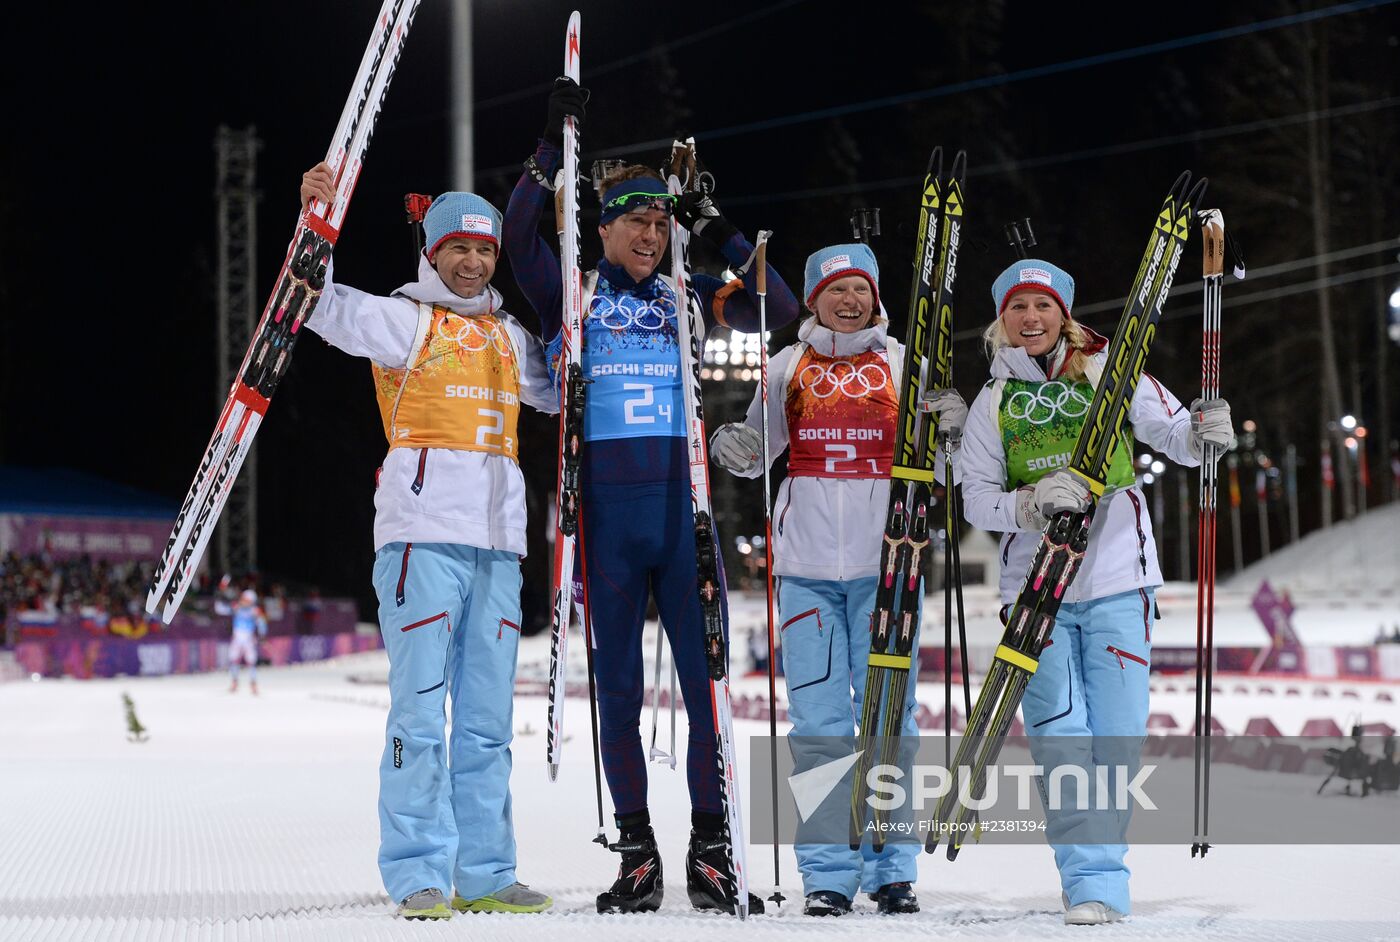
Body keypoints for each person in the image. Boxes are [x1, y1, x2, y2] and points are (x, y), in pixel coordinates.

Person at [502, 78, 799, 915]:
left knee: (708, 693)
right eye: (636, 220)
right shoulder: (574, 290)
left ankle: (712, 848)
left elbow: (778, 306)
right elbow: (518, 229)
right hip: (608, 523)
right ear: (603, 230)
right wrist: (547, 150)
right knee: (621, 695)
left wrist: (716, 227)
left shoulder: (688, 297)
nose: (649, 232)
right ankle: (636, 850)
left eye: (660, 221)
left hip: (684, 522)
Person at [300, 164, 558, 921]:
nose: (474, 262)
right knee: (420, 712)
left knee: (485, 719)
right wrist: (313, 221)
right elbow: (319, 303)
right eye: (459, 249)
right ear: (432, 251)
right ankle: (418, 868)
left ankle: (484, 870)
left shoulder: (513, 338)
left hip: (499, 549)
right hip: (419, 542)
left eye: (484, 250)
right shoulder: (402, 321)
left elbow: (567, 386)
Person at [958, 259, 1234, 925]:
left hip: (1116, 579)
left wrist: (1205, 433)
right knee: (1060, 740)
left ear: (1064, 313)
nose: (1031, 319)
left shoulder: (1110, 371)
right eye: (1018, 307)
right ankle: (1093, 883)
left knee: (1112, 741)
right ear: (1002, 319)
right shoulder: (994, 401)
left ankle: (1096, 878)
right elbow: (975, 499)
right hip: (1036, 590)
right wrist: (1028, 505)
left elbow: (1174, 436)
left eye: (1043, 307)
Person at [709, 244, 967, 916]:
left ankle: (890, 866)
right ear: (814, 297)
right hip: (807, 571)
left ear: (876, 297)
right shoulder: (784, 365)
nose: (848, 301)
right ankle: (827, 871)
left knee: (887, 720)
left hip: (892, 564)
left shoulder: (906, 364)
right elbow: (755, 453)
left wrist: (951, 434)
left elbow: (946, 469)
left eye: (860, 289)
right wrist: (731, 447)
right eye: (834, 290)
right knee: (820, 725)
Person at [222, 588, 267, 694]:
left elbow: (261, 623)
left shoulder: (255, 610)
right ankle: (234, 682)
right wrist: (221, 596)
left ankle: (253, 683)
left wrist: (262, 635)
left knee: (251, 661)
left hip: (248, 638)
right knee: (234, 659)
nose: (243, 601)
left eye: (246, 599)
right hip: (237, 637)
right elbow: (221, 608)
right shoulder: (236, 607)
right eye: (243, 599)